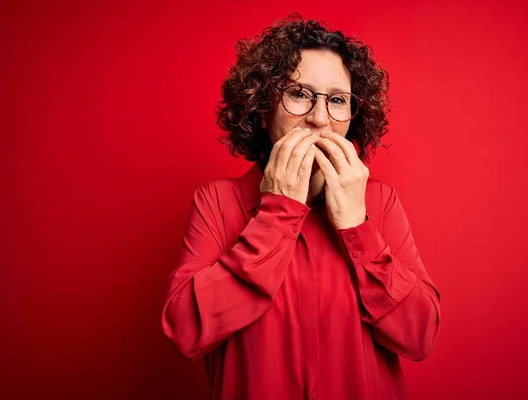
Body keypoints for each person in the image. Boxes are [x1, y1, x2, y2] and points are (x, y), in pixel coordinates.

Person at [162, 14, 441, 400]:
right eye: (298, 94)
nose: (319, 118)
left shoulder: (380, 203)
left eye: (338, 101)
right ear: (262, 106)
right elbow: (186, 331)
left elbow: (419, 336)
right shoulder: (216, 202)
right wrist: (276, 217)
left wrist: (356, 227)